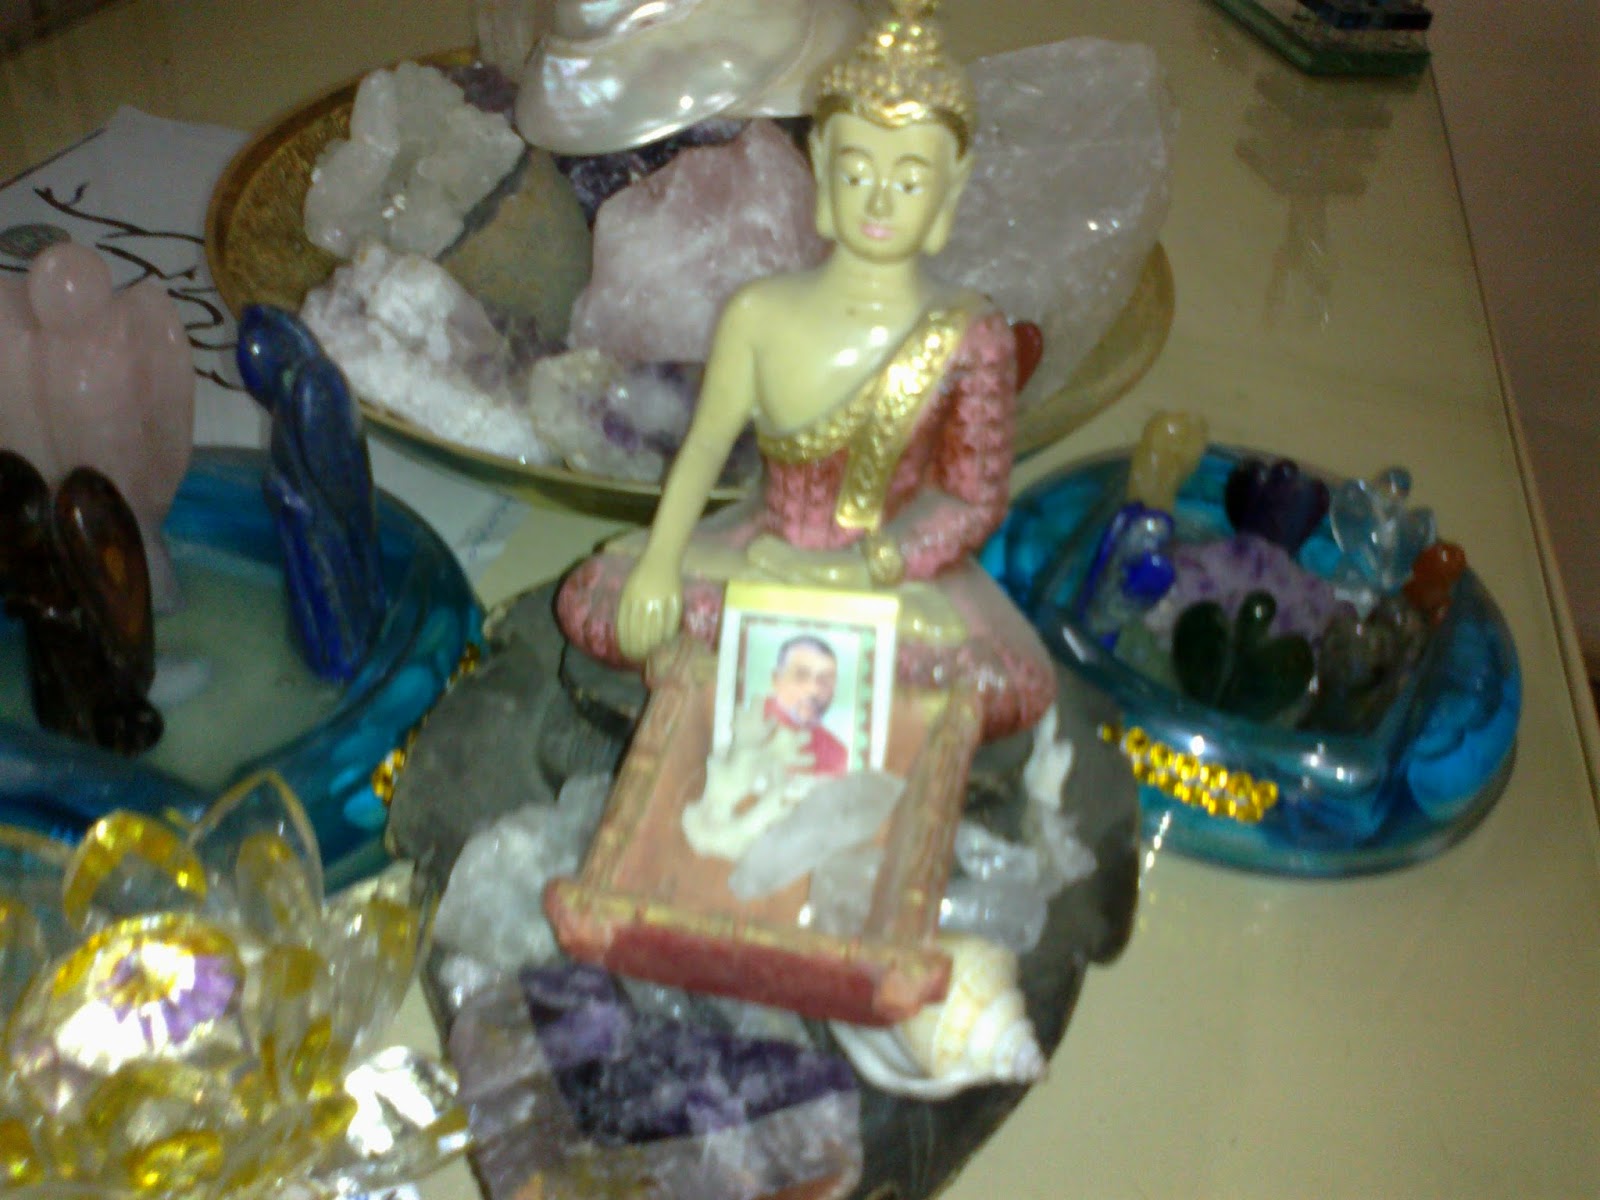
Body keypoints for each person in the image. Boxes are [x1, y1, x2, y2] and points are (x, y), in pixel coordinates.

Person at [556, 0, 1054, 743]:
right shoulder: (761, 312)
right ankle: (825, 689)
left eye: (910, 180)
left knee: (1006, 681)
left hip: (889, 584)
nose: (879, 200)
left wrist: (862, 568)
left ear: (951, 188)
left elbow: (969, 500)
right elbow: (703, 448)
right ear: (820, 165)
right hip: (761, 552)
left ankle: (753, 674)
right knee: (598, 597)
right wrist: (660, 563)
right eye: (856, 171)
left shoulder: (969, 334)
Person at [763, 633, 849, 775]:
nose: (814, 690)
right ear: (776, 680)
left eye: (825, 680)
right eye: (801, 676)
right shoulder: (748, 731)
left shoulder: (835, 752)